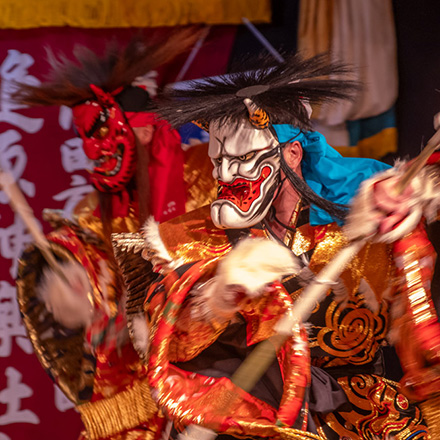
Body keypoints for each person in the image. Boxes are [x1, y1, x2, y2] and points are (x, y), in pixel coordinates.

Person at [112, 53, 439, 439]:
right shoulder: (191, 240)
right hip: (250, 415)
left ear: (292, 154)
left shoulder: (368, 217)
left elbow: (418, 328)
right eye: (219, 161)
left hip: (364, 414)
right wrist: (219, 300)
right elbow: (167, 349)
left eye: (244, 159)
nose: (227, 175)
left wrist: (408, 225)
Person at [15, 31, 199, 440]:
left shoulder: (209, 175)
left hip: (215, 365)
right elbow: (87, 268)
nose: (95, 151)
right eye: (86, 139)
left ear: (145, 130)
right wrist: (70, 286)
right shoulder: (94, 213)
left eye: (102, 134)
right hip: (143, 384)